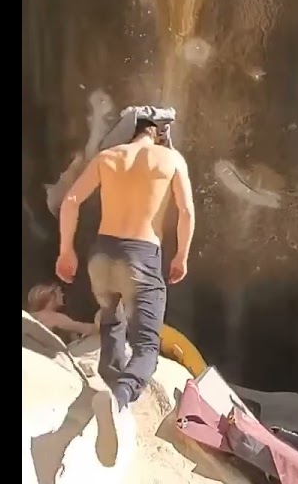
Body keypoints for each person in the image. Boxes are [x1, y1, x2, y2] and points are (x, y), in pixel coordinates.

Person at [56, 116, 196, 412]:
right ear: (159, 134)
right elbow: (186, 211)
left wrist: (66, 251)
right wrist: (181, 256)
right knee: (146, 347)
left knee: (112, 320)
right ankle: (119, 401)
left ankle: (108, 390)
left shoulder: (108, 156)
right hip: (141, 258)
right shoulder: (170, 158)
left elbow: (70, 200)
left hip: (102, 257)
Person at [26, 282, 99, 343]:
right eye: (59, 292)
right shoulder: (53, 317)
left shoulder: (32, 316)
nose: (62, 295)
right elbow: (87, 329)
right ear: (52, 296)